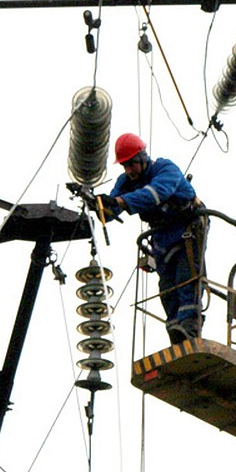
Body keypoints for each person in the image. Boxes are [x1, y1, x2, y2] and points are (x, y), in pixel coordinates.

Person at [95, 133, 207, 344]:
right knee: (166, 286)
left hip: (188, 227)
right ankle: (175, 329)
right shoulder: (125, 182)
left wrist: (119, 201)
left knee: (187, 277)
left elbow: (155, 193)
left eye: (132, 165)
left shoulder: (166, 169)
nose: (129, 170)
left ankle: (190, 327)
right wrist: (99, 204)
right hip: (162, 234)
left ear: (143, 157)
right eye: (125, 166)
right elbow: (111, 209)